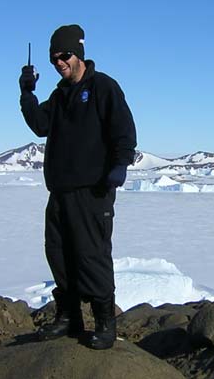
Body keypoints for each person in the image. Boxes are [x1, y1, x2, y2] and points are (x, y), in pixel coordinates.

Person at [19, 24, 137, 349]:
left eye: (64, 55)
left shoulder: (103, 87)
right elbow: (41, 126)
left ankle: (104, 322)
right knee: (58, 253)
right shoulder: (58, 97)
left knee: (92, 254)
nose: (59, 62)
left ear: (79, 53)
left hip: (92, 191)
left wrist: (119, 166)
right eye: (53, 58)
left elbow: (124, 130)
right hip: (59, 191)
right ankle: (70, 317)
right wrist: (27, 94)